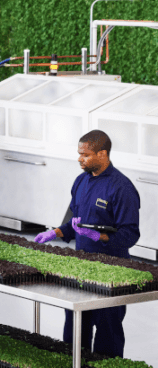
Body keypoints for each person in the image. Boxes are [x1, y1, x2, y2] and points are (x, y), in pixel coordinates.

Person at [34, 130, 140, 358]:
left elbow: (130, 235)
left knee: (107, 330)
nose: (80, 159)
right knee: (75, 327)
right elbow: (75, 222)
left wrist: (99, 238)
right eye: (79, 154)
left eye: (85, 155)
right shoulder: (80, 181)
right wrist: (55, 233)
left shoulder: (122, 188)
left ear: (102, 154)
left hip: (112, 271)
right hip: (80, 267)